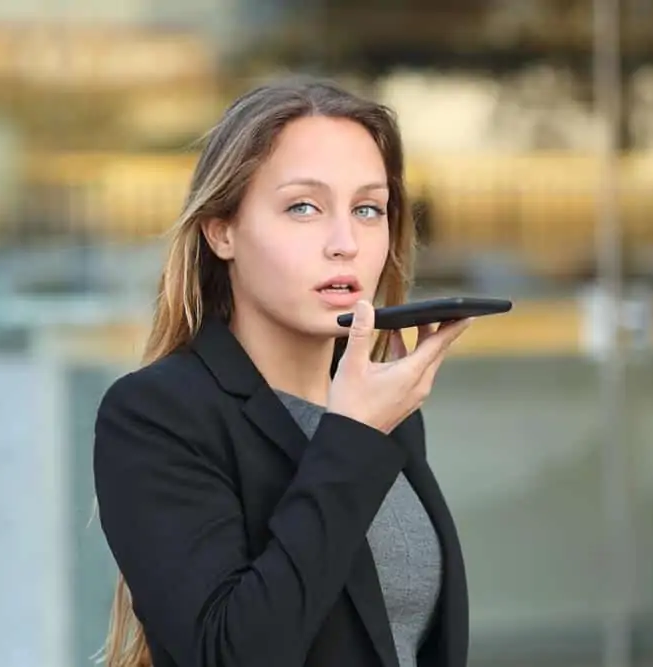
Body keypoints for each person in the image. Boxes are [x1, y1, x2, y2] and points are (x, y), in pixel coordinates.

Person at [93, 77, 473, 667]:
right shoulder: (157, 414)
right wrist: (353, 438)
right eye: (304, 207)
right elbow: (233, 653)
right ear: (222, 231)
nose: (345, 242)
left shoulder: (378, 408)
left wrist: (361, 428)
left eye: (368, 209)